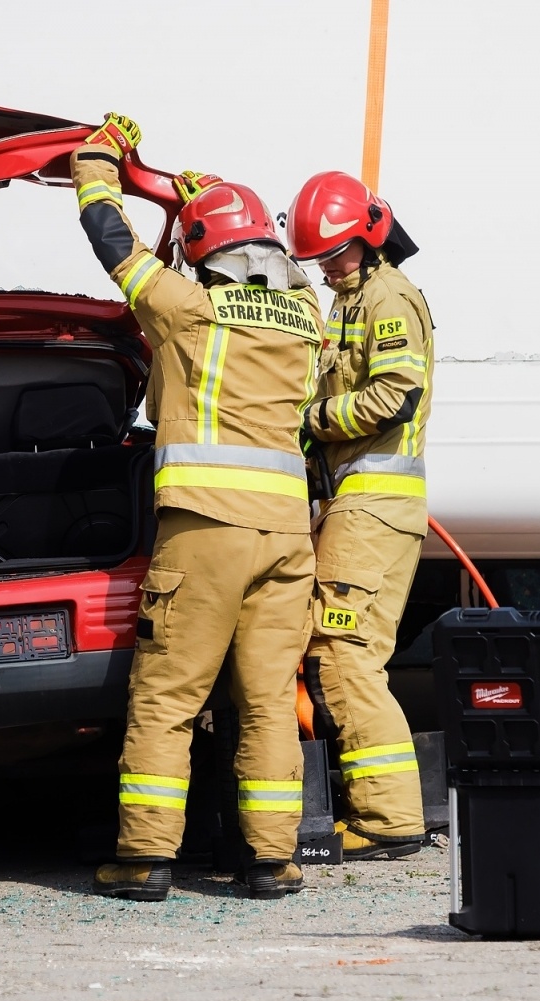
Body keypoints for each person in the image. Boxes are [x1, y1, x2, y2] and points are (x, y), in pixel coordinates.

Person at [72, 115, 322, 901]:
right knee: (267, 703)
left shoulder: (190, 310)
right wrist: (206, 197)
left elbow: (110, 238)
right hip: (286, 540)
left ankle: (145, 859)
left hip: (205, 530)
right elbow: (284, 276)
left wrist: (97, 162)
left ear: (202, 251)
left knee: (169, 697)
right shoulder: (308, 317)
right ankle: (272, 862)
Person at [286, 171, 431, 859]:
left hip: (374, 506)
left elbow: (396, 393)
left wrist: (314, 420)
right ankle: (386, 814)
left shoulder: (389, 297)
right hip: (357, 505)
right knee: (345, 653)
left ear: (370, 237)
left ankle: (388, 821)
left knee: (344, 652)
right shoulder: (346, 300)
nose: (329, 264)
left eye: (339, 251)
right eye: (320, 256)